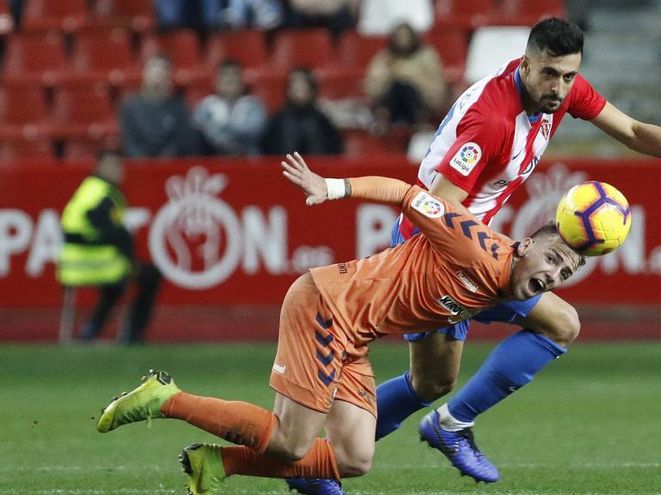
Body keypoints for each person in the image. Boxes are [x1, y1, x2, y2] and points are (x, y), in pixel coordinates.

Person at [293, 17, 661, 493]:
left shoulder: (560, 92)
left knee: (443, 378)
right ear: (526, 64)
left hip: (471, 250)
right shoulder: (492, 122)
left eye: (569, 76)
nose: (560, 87)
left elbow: (629, 128)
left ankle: (383, 444)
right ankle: (328, 459)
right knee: (455, 372)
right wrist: (490, 256)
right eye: (550, 74)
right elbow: (436, 207)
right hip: (434, 255)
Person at [95, 152, 585, 495]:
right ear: (525, 244)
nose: (553, 274)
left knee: (353, 459)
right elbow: (406, 192)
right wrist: (331, 188)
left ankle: (215, 463)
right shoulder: (472, 243)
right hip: (326, 308)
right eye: (552, 259)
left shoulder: (508, 284)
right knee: (291, 442)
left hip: (355, 335)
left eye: (565, 273)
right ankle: (167, 399)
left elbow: (543, 317)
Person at [57, 150, 162, 344]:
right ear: (99, 167)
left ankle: (92, 329)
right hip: (95, 263)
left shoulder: (89, 190)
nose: (118, 170)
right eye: (113, 165)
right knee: (149, 274)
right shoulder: (102, 195)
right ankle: (133, 333)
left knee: (116, 287)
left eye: (119, 165)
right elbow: (110, 230)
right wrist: (129, 258)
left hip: (73, 265)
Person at [363, 22, 447, 132]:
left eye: (406, 36)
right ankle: (383, 122)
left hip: (420, 103)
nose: (403, 40)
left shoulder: (427, 57)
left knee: (406, 87)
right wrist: (390, 76)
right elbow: (372, 88)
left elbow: (437, 90)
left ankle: (420, 121)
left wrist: (410, 77)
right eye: (399, 37)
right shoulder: (384, 58)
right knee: (397, 86)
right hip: (391, 103)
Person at [119, 54, 198, 158]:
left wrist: (164, 161)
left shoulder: (179, 108)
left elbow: (181, 142)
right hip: (139, 166)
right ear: (144, 73)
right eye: (153, 69)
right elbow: (130, 143)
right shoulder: (129, 107)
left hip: (171, 167)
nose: (158, 74)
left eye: (163, 70)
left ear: (169, 76)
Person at [193, 59, 268, 156]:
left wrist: (219, 127)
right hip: (213, 159)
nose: (229, 79)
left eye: (234, 75)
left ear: (242, 80)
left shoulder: (254, 105)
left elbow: (253, 134)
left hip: (247, 159)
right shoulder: (205, 106)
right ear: (216, 81)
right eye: (224, 75)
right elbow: (199, 133)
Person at [262, 68, 344, 156]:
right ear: (288, 91)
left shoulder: (322, 121)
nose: (299, 90)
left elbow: (335, 151)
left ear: (312, 90)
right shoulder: (277, 121)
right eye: (295, 86)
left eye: (303, 86)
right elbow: (266, 152)